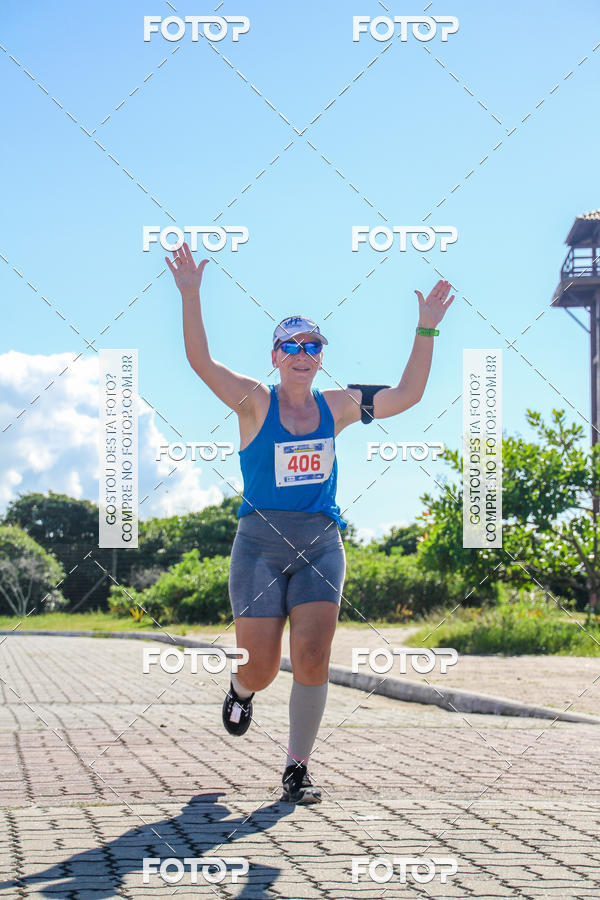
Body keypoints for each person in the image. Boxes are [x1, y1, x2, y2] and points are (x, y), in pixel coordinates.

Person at [166, 241, 454, 804]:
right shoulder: (253, 401)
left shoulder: (339, 404)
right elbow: (200, 362)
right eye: (291, 345)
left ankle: (297, 768)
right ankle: (240, 690)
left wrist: (427, 329)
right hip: (260, 545)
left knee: (316, 654)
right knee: (263, 667)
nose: (303, 354)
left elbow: (409, 394)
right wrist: (191, 294)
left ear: (322, 355)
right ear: (275, 355)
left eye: (313, 345)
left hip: (321, 542)